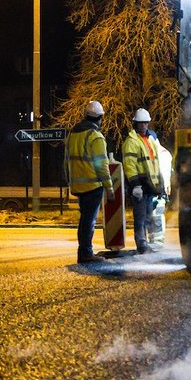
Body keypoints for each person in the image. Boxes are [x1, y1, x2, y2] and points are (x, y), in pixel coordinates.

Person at [65, 100, 115, 264]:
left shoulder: (73, 134)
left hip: (78, 185)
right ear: (100, 118)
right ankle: (86, 253)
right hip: (92, 186)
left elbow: (67, 160)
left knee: (84, 220)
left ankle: (83, 252)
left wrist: (69, 181)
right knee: (89, 221)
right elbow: (102, 166)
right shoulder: (96, 136)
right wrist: (109, 188)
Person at [121, 108, 166, 254]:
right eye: (141, 123)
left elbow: (156, 164)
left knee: (147, 217)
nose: (143, 126)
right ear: (135, 124)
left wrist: (160, 185)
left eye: (146, 123)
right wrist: (135, 185)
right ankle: (141, 245)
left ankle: (145, 244)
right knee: (140, 218)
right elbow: (129, 165)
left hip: (149, 186)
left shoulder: (150, 140)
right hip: (140, 185)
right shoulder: (131, 141)